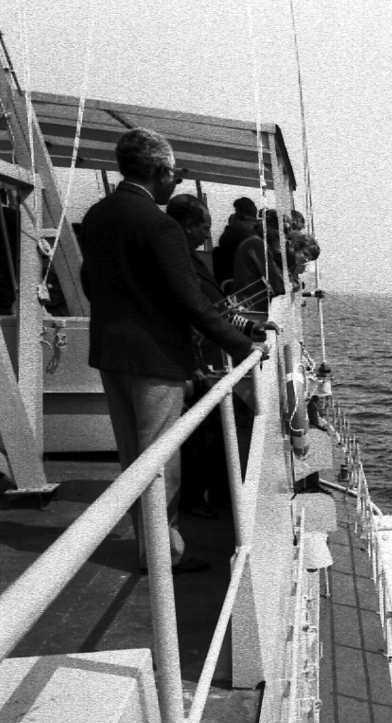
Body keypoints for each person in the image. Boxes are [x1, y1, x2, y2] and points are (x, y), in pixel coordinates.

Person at [80, 127, 263, 572]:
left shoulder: (98, 215)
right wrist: (244, 346)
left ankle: (151, 549)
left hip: (110, 354)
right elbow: (190, 301)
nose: (175, 182)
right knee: (161, 462)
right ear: (161, 171)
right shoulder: (159, 224)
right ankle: (166, 557)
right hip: (155, 360)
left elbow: (88, 280)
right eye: (175, 174)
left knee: (133, 461)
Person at [166, 193, 264, 518]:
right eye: (204, 227)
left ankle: (219, 492)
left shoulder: (188, 258)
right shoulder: (177, 261)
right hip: (192, 359)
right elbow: (197, 312)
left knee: (216, 425)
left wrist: (248, 328)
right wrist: (196, 364)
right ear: (188, 225)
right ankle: (194, 498)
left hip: (202, 356)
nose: (208, 234)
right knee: (201, 431)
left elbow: (214, 308)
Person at [232, 208, 287, 310]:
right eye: (278, 233)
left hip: (249, 298)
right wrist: (290, 285)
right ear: (269, 229)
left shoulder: (251, 241)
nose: (279, 238)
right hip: (252, 302)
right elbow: (274, 278)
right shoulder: (256, 244)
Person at [212, 195, 258, 284]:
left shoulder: (239, 226)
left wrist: (231, 225)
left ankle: (221, 284)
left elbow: (223, 242)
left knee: (218, 251)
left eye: (237, 210)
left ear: (242, 211)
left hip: (241, 269)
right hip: (256, 267)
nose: (235, 214)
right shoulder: (261, 226)